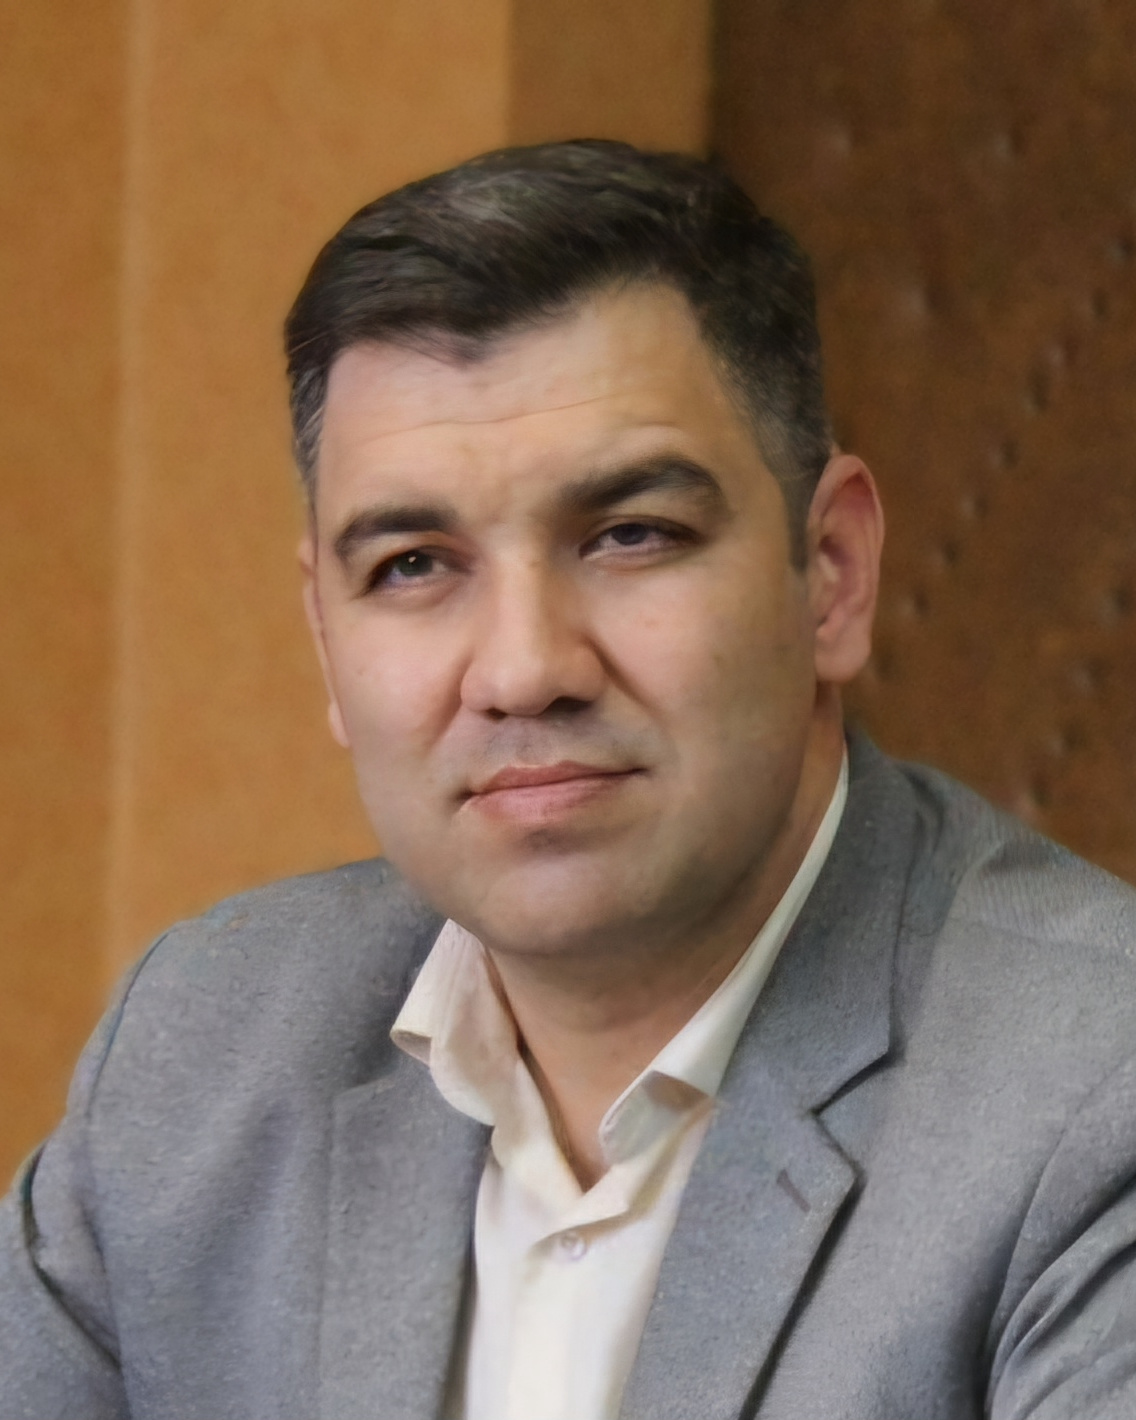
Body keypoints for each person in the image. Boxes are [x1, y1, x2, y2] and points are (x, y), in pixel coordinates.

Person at [3, 139, 1136, 1420]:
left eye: (629, 535)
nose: (524, 668)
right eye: (413, 565)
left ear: (829, 573)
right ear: (325, 635)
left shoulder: (1094, 1093)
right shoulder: (199, 1052)